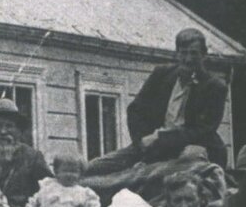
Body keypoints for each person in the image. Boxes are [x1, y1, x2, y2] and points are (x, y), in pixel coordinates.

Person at [89, 28, 230, 176]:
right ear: (177, 53)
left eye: (194, 53)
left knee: (187, 158)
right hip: (154, 147)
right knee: (94, 167)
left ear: (204, 55)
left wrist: (161, 138)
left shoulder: (214, 87)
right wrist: (142, 141)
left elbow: (202, 130)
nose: (188, 59)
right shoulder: (162, 74)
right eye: (183, 53)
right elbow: (136, 110)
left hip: (194, 147)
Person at [0, 97, 53, 207]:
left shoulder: (32, 157)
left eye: (9, 126)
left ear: (18, 130)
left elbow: (50, 190)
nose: (3, 132)